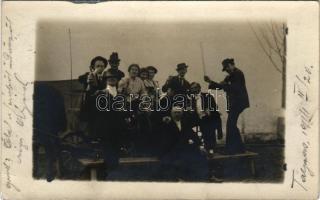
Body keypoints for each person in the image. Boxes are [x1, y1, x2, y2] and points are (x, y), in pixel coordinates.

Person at [204, 58, 249, 154]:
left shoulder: (238, 74)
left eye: (227, 68)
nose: (227, 71)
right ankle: (240, 148)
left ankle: (230, 150)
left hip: (238, 103)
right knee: (231, 125)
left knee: (230, 125)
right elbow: (221, 86)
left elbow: (234, 88)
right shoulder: (231, 76)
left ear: (231, 65)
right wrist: (210, 81)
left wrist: (224, 85)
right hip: (234, 103)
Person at [158, 106, 210, 181]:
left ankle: (205, 177)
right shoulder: (168, 124)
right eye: (175, 112)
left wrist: (200, 146)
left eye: (179, 112)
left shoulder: (185, 123)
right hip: (172, 149)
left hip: (185, 148)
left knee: (201, 155)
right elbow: (166, 140)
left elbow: (193, 135)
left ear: (182, 113)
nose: (177, 114)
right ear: (171, 114)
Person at [188, 82, 223, 156]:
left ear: (199, 88)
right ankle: (197, 148)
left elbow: (215, 109)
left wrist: (209, 111)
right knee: (187, 129)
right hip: (196, 119)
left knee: (208, 129)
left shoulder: (208, 96)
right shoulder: (190, 99)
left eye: (195, 88)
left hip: (206, 118)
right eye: (191, 89)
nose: (193, 90)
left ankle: (210, 150)